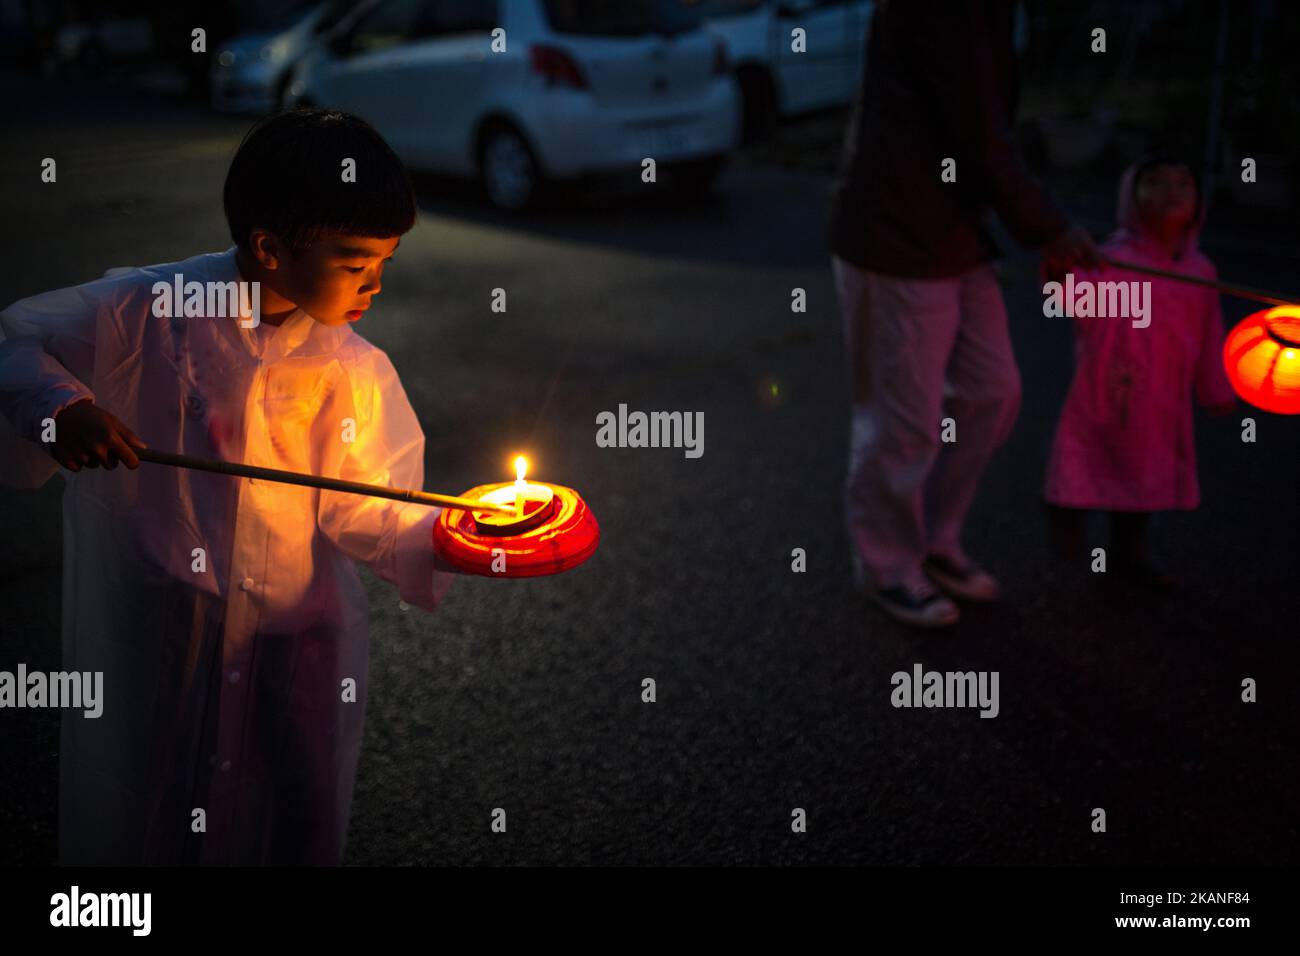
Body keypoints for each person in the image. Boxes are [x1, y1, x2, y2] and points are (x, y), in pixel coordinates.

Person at [0, 109, 459, 864]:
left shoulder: (352, 368)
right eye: (354, 262)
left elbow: (363, 508)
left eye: (386, 260)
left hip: (299, 642)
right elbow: (18, 340)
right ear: (269, 249)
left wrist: (444, 535)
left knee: (295, 808)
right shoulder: (151, 312)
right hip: (170, 629)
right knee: (155, 799)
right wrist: (62, 408)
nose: (375, 284)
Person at [828, 0, 1101, 628]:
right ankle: (887, 564)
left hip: (952, 231)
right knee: (904, 419)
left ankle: (933, 540)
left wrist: (1039, 226)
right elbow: (977, 128)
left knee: (991, 391)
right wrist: (1048, 227)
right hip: (895, 232)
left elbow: (982, 126)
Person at [1043, 156, 1237, 588]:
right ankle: (1065, 511)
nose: (1172, 190)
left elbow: (1209, 335)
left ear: (1198, 201)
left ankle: (1127, 558)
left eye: (1184, 182)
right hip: (1108, 388)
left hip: (1163, 398)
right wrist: (1061, 271)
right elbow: (1074, 299)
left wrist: (1215, 389)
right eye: (1155, 182)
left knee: (1143, 476)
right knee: (1088, 457)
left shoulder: (1200, 272)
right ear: (1130, 198)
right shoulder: (1114, 262)